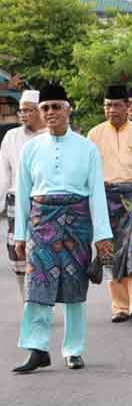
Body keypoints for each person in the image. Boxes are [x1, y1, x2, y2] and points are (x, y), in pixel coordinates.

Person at [12, 83, 113, 372]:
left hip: (77, 224)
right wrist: (20, 234)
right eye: (46, 108)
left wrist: (102, 236)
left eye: (57, 107)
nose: (51, 112)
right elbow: (22, 194)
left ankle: (73, 349)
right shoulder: (30, 149)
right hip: (41, 223)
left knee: (73, 288)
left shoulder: (87, 148)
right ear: (40, 113)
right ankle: (37, 348)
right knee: (37, 286)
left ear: (68, 110)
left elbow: (96, 192)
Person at [88, 85, 132, 323]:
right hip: (106, 198)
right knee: (110, 252)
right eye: (107, 105)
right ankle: (120, 307)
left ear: (127, 107)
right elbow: (89, 174)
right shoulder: (94, 134)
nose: (112, 110)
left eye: (117, 105)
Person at [0, 90, 46, 303]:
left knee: (43, 253)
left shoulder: (51, 137)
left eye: (28, 110)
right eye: (21, 111)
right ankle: (28, 299)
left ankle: (42, 298)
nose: (23, 115)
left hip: (44, 202)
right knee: (17, 255)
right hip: (15, 201)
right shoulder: (11, 137)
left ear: (40, 111)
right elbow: (4, 174)